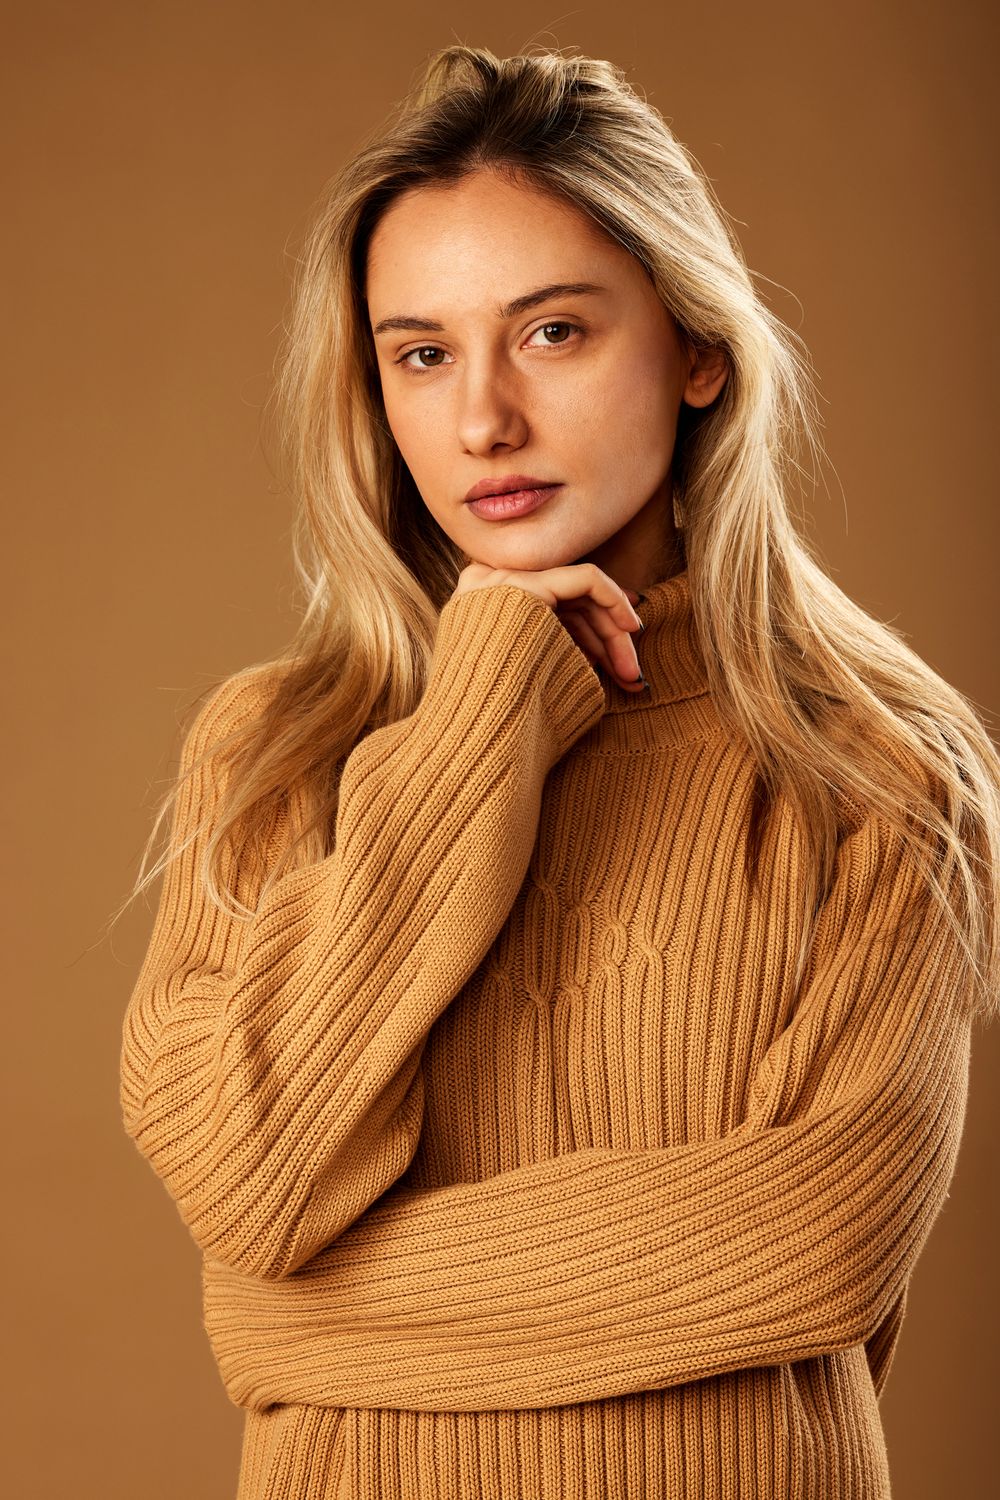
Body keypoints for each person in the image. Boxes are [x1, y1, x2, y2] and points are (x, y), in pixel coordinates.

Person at [118, 43, 1000, 1500]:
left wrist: (303, 1312)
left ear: (697, 345)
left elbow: (817, 1247)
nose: (481, 423)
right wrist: (486, 714)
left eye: (552, 334)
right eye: (421, 353)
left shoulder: (882, 775)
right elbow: (245, 1172)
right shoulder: (276, 750)